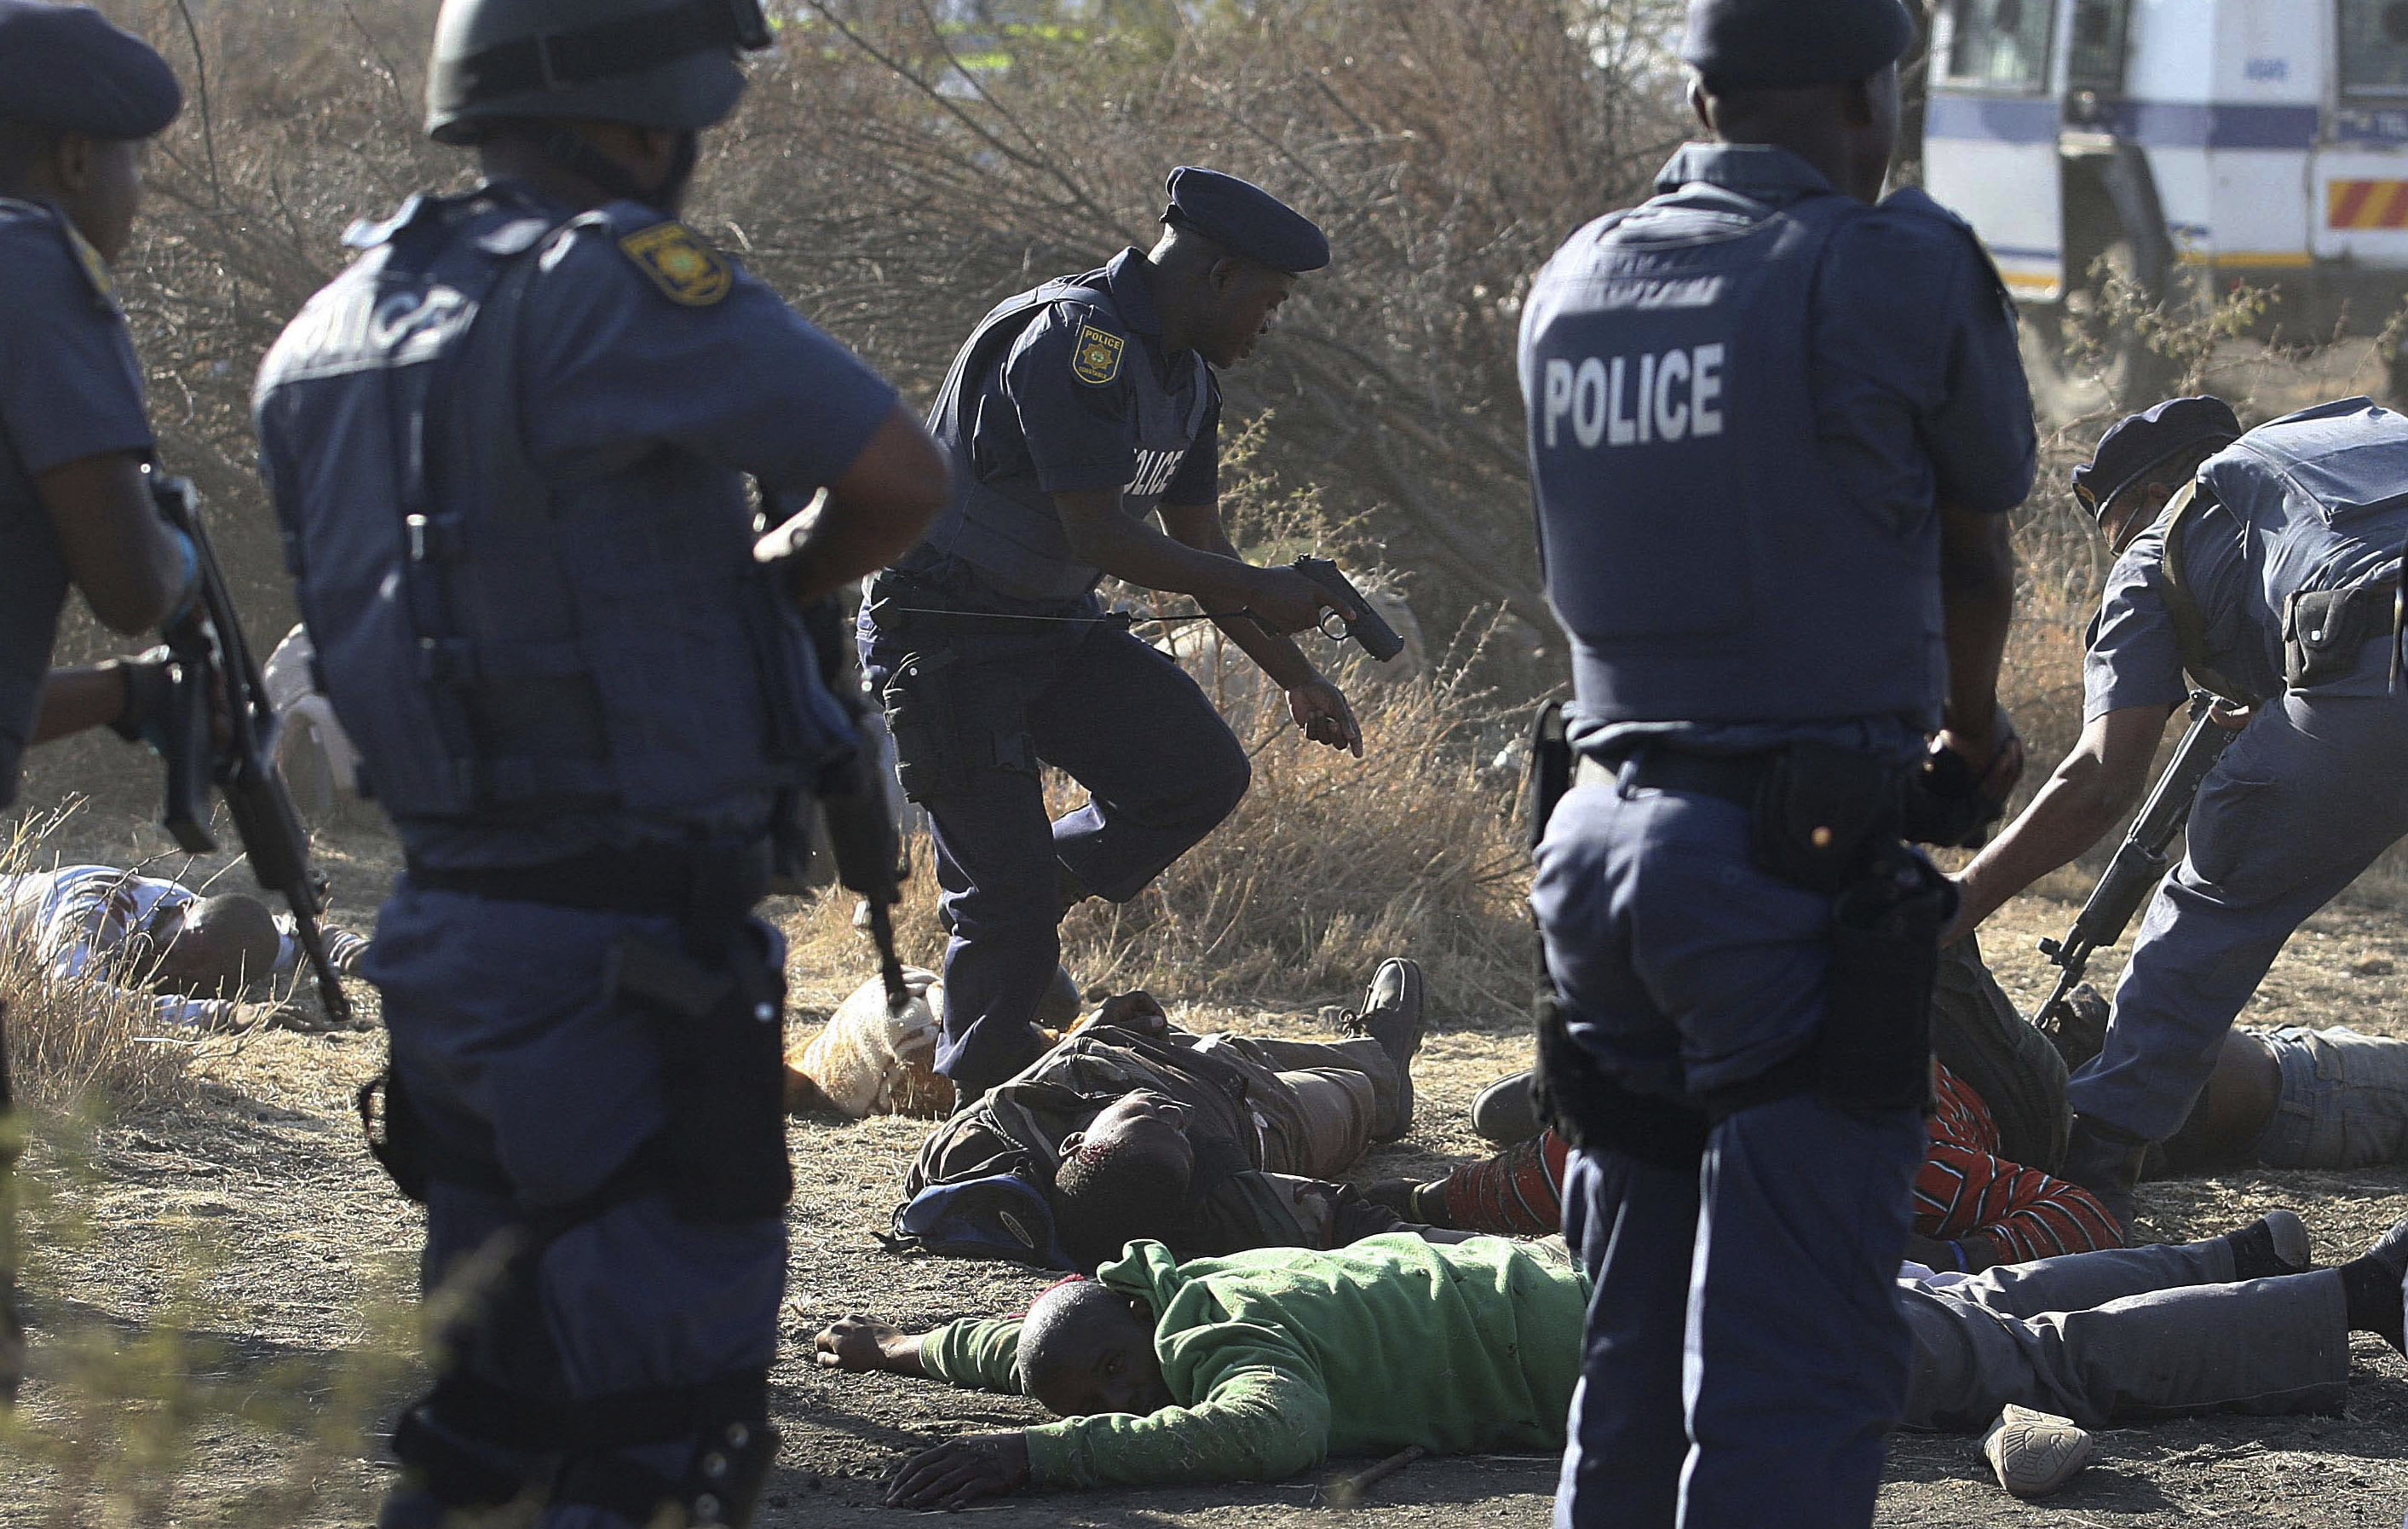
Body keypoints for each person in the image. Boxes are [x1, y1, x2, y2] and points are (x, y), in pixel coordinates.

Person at [250, 0, 950, 1521]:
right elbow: (899, 473)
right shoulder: (616, 285)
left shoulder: (329, 325)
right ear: (642, 122)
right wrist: (778, 581)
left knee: (491, 1415)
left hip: (445, 933)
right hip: (633, 950)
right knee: (660, 1430)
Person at [1515, 0, 2035, 1521]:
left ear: (1696, 95)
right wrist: (1973, 729)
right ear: (1876, 103)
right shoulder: (1891, 263)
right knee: (1789, 1368)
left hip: (1592, 860)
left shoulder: (1573, 276)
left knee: (1626, 1362)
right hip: (1780, 874)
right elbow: (1977, 542)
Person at [860, 165, 1368, 1105]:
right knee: (1006, 908)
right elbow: (1104, 536)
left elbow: (1201, 549)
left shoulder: (1185, 382)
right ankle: (982, 1117)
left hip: (1052, 630)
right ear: (1219, 275)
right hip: (946, 638)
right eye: (1271, 297)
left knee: (1197, 774)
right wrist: (1264, 586)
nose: (1271, 320)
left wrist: (1298, 676)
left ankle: (1025, 884)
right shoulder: (1072, 340)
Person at [810, 1213, 2408, 1509]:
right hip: (1647, 1270)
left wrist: (1040, 1456)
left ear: (1133, 1370)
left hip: (1675, 1343)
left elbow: (1265, 1437)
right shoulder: (1192, 1272)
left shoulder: (1236, 1341)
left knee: (2009, 1349)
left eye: (1105, 1405)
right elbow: (1046, 1338)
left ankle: (2347, 1298)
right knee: (1959, 1290)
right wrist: (902, 1343)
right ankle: (2246, 1259)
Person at [1950, 394, 2408, 1233]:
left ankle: (2098, 1169)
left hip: (2381, 654)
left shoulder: (2160, 540)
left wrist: (1962, 900)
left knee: (2209, 902)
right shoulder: (2340, 430)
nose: (2115, 551)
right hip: (2371, 623)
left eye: (2112, 529)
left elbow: (2099, 779)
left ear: (2145, 497)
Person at [0, 0, 198, 1410]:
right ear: (75, 159)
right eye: (130, 163)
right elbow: (131, 574)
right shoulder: (27, 266)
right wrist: (184, 569)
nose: (135, 194)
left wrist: (122, 701)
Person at [902, 959, 1432, 1268]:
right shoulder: (1213, 1182)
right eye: (1182, 1134)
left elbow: (928, 1177)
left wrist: (1090, 1029)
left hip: (1155, 1050)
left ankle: (1362, 1056)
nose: (1176, 1116)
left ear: (1077, 1142)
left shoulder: (977, 1144)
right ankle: (1381, 1066)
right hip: (1262, 1113)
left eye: (1154, 1121)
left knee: (1226, 1045)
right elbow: (1340, 1218)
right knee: (1359, 1086)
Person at [0, 863, 370, 1030]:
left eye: (200, 979)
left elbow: (310, 934)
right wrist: (217, 1014)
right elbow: (69, 998)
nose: (170, 973)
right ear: (182, 911)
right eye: (176, 953)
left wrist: (364, 958)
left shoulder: (224, 939)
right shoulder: (99, 907)